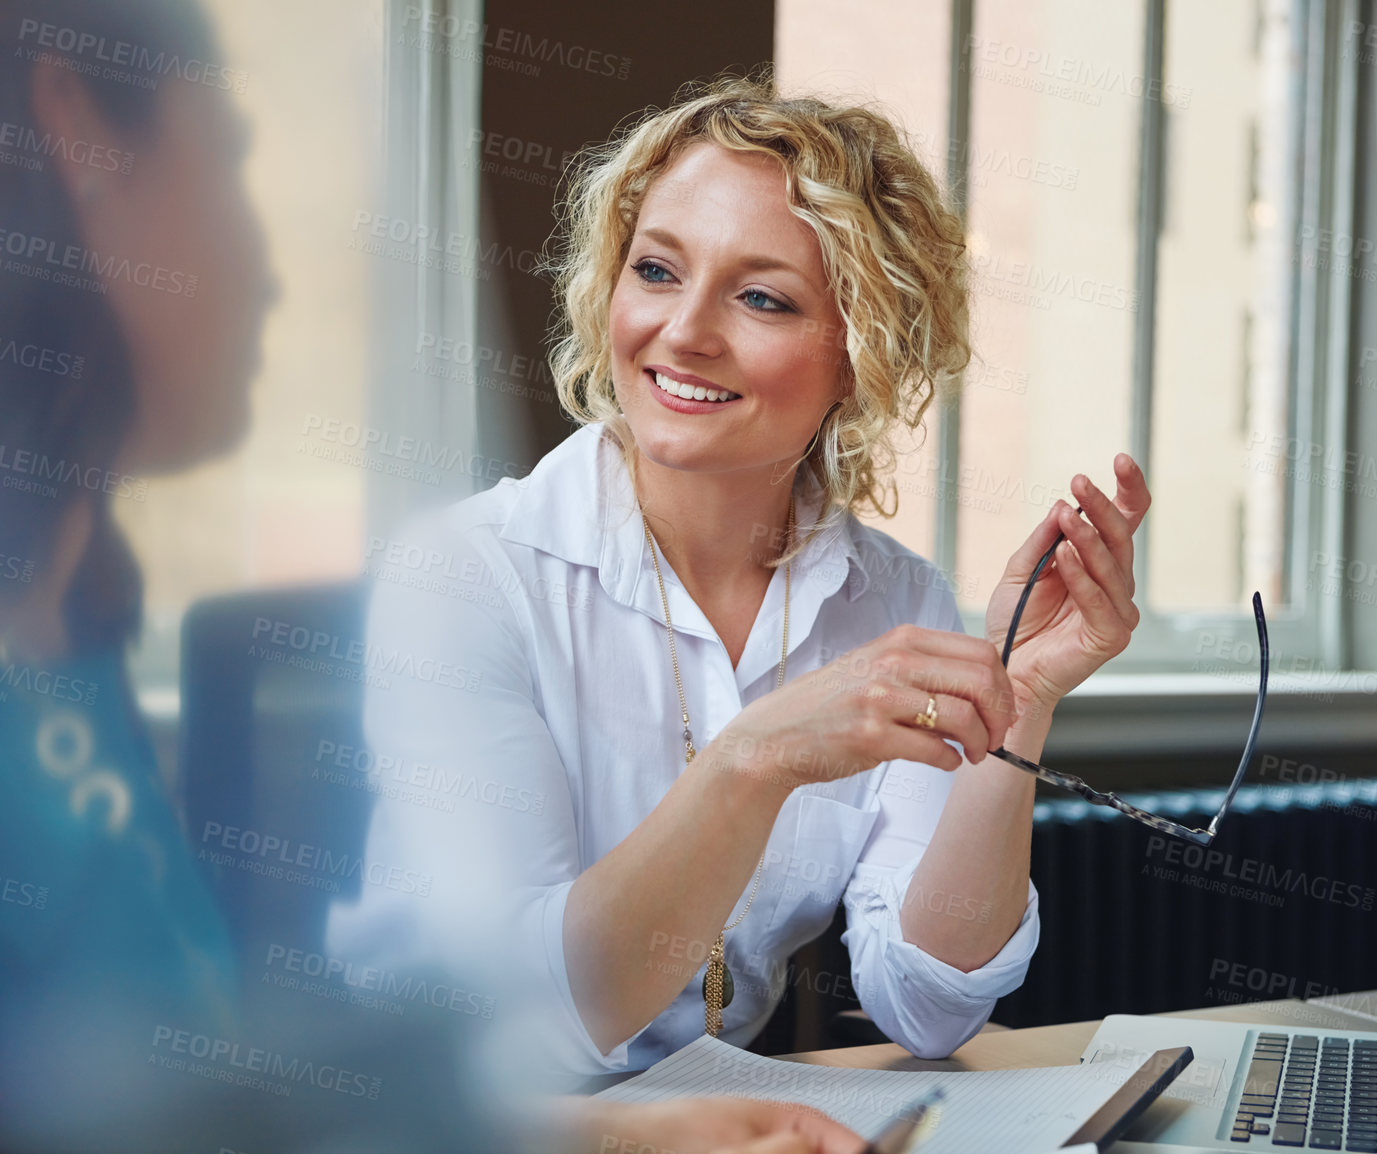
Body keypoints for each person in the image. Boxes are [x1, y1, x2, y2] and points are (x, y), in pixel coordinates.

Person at [0, 3, 863, 1148]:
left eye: (761, 296)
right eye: (226, 161)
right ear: (78, 137)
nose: (263, 274)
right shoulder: (466, 572)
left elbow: (219, 1119)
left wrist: (621, 1137)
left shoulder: (67, 644)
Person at [327, 71, 1151, 1091]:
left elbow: (929, 1003)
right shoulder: (464, 574)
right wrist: (755, 754)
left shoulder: (892, 604)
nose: (685, 331)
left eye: (761, 296)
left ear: (860, 350)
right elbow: (513, 1022)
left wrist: (1015, 704)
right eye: (657, 270)